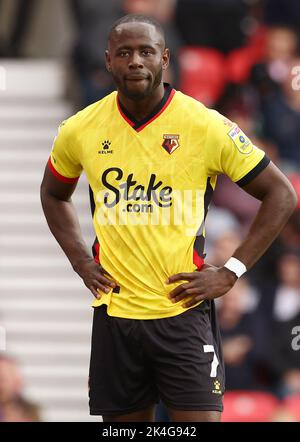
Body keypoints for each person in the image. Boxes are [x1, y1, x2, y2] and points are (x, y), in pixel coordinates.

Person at [40, 14, 297, 422]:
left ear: (165, 58)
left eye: (146, 51)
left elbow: (281, 194)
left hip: (183, 311)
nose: (135, 61)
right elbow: (53, 194)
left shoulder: (205, 125)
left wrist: (230, 271)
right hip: (116, 314)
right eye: (124, 53)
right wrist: (80, 260)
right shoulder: (80, 129)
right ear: (108, 61)